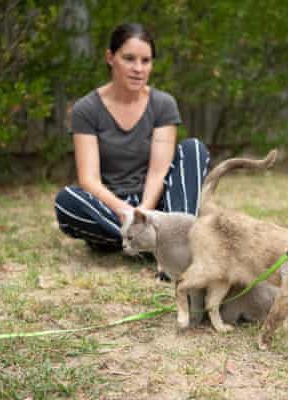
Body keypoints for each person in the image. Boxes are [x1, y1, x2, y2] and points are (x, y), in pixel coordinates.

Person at [54, 23, 210, 251]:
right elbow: (89, 180)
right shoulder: (86, 109)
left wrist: (144, 215)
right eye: (129, 59)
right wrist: (128, 215)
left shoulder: (163, 104)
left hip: (156, 209)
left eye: (145, 61)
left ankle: (174, 243)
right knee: (66, 200)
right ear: (110, 57)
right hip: (111, 211)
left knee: (193, 148)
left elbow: (159, 171)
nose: (138, 68)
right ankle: (145, 244)